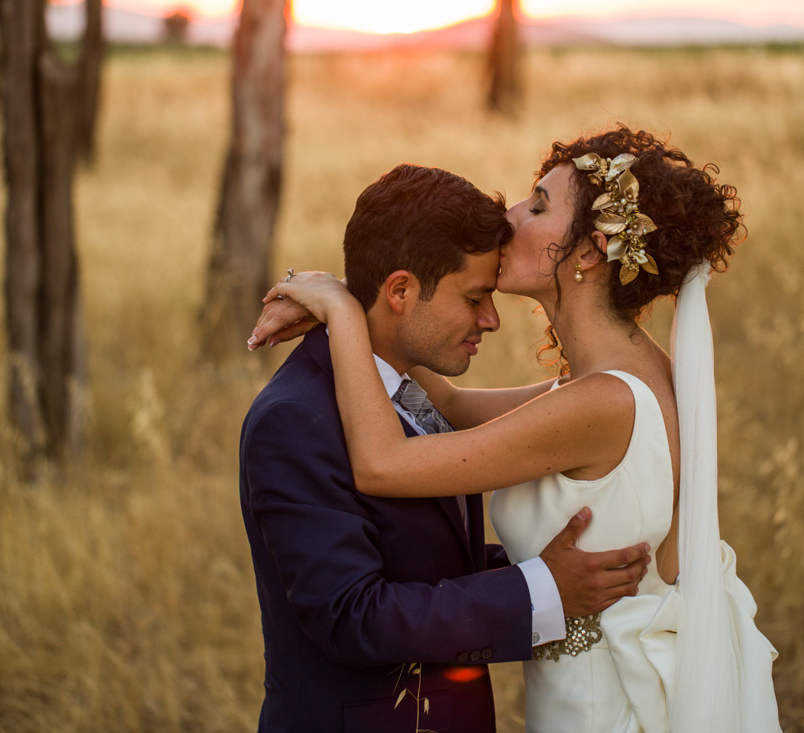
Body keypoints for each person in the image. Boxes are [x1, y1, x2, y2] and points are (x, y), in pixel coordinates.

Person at [254, 127, 782, 732]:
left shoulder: (601, 404)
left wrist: (344, 308)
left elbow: (383, 464)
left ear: (589, 252)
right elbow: (446, 403)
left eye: (538, 206)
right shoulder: (621, 377)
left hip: (601, 705)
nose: (511, 218)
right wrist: (368, 290)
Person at [239, 163, 653, 733]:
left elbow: (417, 555)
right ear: (400, 291)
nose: (491, 319)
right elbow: (351, 616)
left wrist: (547, 565)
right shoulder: (293, 419)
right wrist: (541, 589)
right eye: (475, 297)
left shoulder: (409, 387)